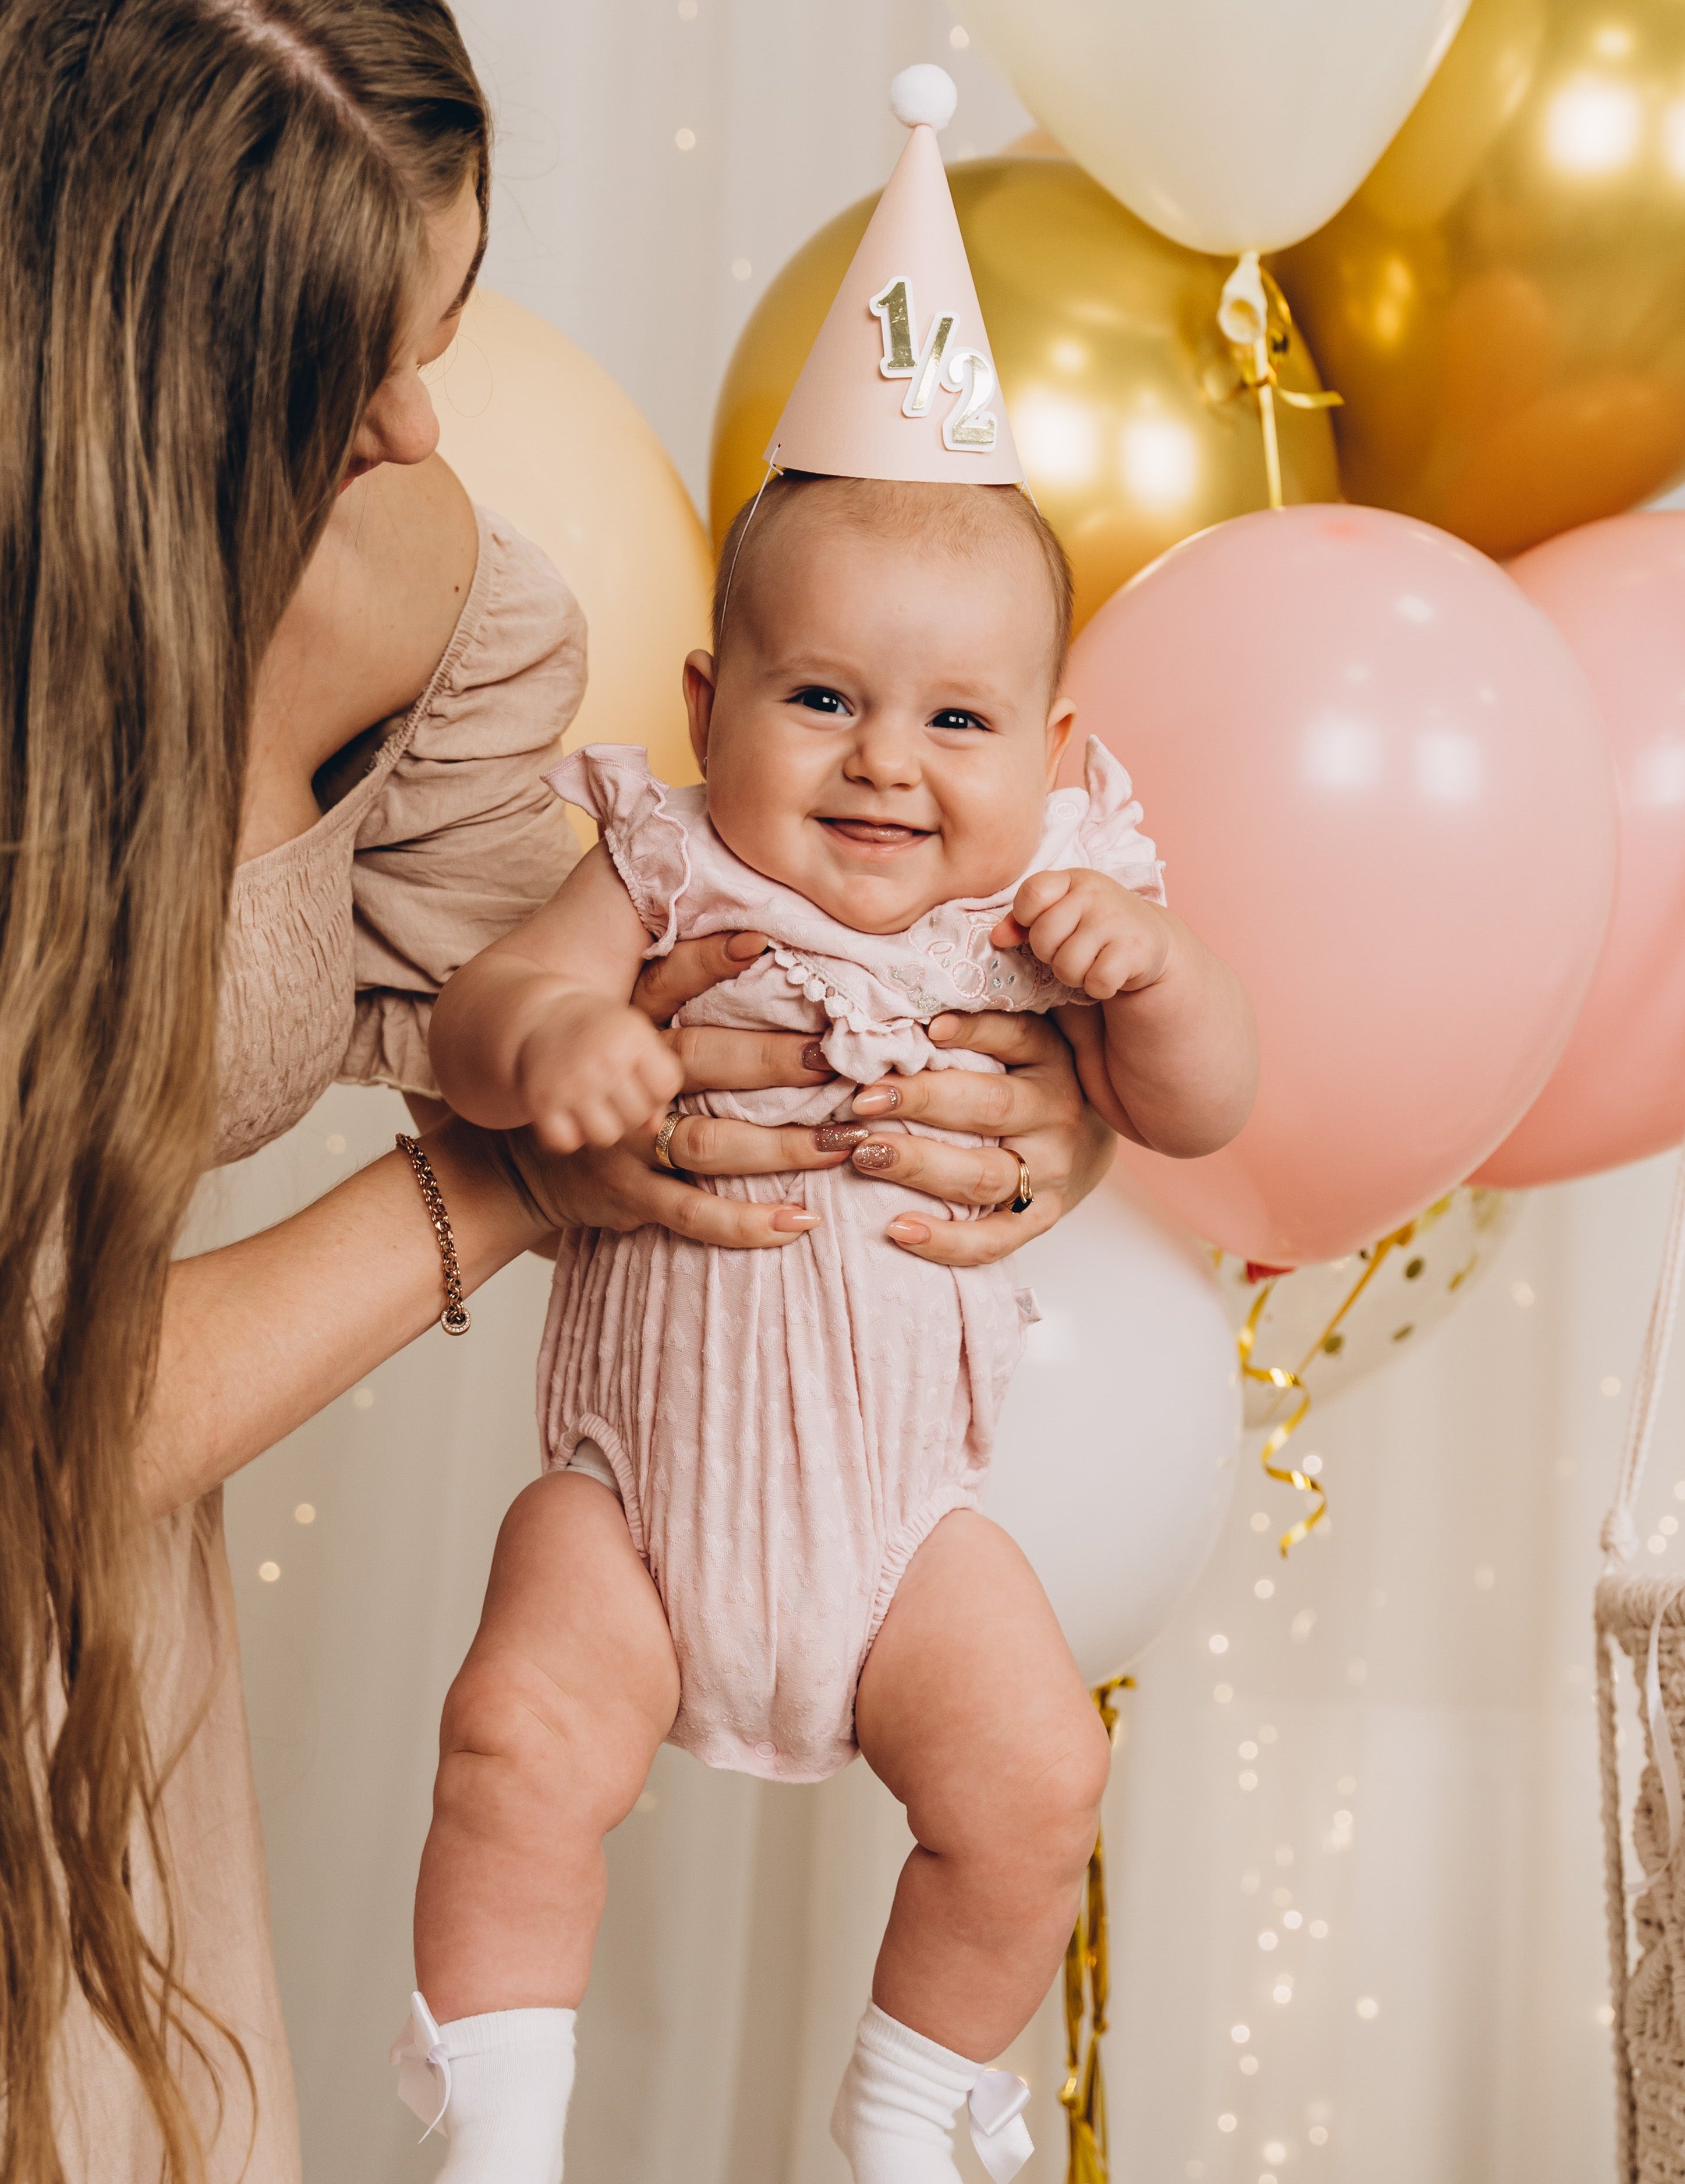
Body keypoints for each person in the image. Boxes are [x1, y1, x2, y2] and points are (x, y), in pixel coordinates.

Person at [0, 12, 1114, 2182]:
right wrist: (500, 1179)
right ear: (110, 354)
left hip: (99, 1653)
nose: (419, 419)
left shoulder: (409, 575)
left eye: (445, 323)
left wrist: (1026, 1089)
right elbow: (52, 1398)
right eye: (343, 365)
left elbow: (635, 994)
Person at [387, 77, 1258, 2184]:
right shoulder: (674, 868)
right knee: (514, 1735)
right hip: (633, 1503)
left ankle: (904, 2110)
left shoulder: (1044, 918)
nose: (885, 766)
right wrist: (551, 1050)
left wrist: (1153, 977)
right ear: (708, 709)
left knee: (1037, 1779)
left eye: (959, 721)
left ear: (1055, 759)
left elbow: (1203, 1108)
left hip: (899, 1537)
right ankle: (496, 2123)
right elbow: (478, 1015)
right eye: (821, 700)